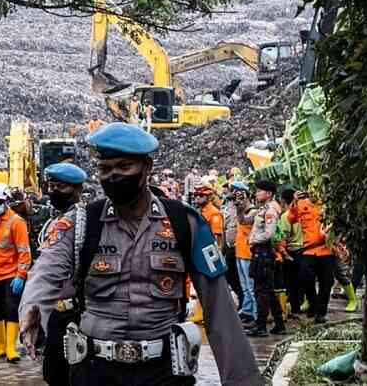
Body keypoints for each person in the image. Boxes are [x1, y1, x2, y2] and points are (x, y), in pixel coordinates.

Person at [19, 123, 263, 386]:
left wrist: (243, 379)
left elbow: (219, 307)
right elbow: (45, 271)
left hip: (163, 371)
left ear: (147, 167)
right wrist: (31, 308)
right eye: (105, 169)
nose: (113, 176)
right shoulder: (81, 223)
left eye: (124, 167)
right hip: (95, 369)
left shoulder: (183, 222)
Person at [23, 162, 87, 385]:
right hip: (56, 308)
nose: (54, 192)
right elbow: (46, 268)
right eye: (51, 186)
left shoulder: (76, 220)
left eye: (61, 187)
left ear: (78, 189)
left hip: (77, 312)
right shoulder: (57, 220)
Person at [0, 183, 32, 363]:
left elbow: (24, 252)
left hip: (11, 275)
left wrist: (21, 275)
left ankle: (11, 348)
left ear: (6, 202)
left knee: (11, 310)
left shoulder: (16, 222)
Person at [245, 180, 286, 337]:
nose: (256, 194)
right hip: (262, 253)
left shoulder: (270, 211)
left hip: (264, 253)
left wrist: (253, 239)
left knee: (261, 291)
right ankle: (279, 324)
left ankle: (261, 325)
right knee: (268, 291)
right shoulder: (263, 209)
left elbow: (269, 233)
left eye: (259, 191)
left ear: (268, 194)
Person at [288, 191, 335, 323]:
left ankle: (321, 312)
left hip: (327, 251)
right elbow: (291, 219)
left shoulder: (328, 205)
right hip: (309, 251)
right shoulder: (302, 204)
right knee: (305, 279)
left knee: (326, 282)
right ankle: (313, 305)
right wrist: (295, 201)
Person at [278, 187, 305, 317]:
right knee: (301, 281)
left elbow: (284, 237)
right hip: (304, 249)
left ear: (283, 201)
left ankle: (295, 310)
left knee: (291, 282)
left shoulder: (286, 216)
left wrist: (284, 254)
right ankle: (301, 305)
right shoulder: (303, 213)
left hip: (291, 251)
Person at [233, 181, 257, 325]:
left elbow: (244, 222)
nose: (240, 199)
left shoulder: (254, 211)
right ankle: (247, 310)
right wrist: (238, 208)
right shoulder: (241, 210)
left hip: (248, 253)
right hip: (239, 252)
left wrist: (240, 209)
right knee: (245, 286)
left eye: (242, 196)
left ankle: (256, 314)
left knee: (251, 286)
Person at [222, 183, 244, 311]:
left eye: (232, 190)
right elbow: (225, 228)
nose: (228, 191)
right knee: (230, 275)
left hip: (239, 247)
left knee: (239, 277)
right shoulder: (227, 206)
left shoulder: (241, 206)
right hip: (229, 247)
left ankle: (244, 302)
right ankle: (241, 300)